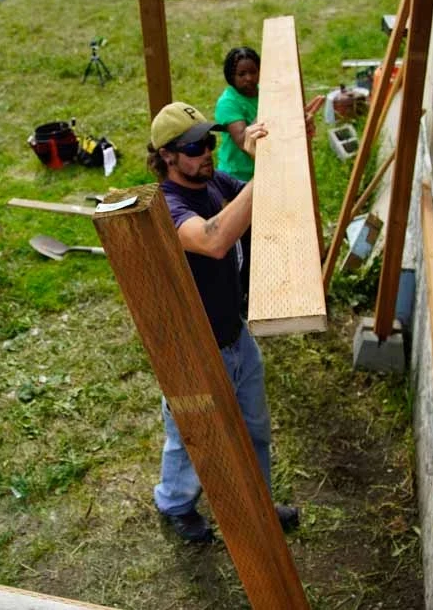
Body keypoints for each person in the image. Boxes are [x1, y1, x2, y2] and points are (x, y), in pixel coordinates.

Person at [147, 101, 300, 543]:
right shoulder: (167, 205)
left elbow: (259, 196)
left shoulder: (212, 181)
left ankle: (258, 504)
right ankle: (176, 503)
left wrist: (276, 150)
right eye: (194, 148)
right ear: (167, 156)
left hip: (235, 335)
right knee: (191, 439)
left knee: (255, 429)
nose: (206, 153)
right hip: (193, 349)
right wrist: (263, 171)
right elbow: (212, 240)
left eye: (209, 143)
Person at [214, 46, 261, 184]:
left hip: (262, 167)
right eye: (242, 74)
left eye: (253, 72)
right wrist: (268, 109)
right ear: (231, 77)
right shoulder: (228, 102)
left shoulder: (264, 92)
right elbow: (243, 140)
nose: (249, 78)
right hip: (237, 176)